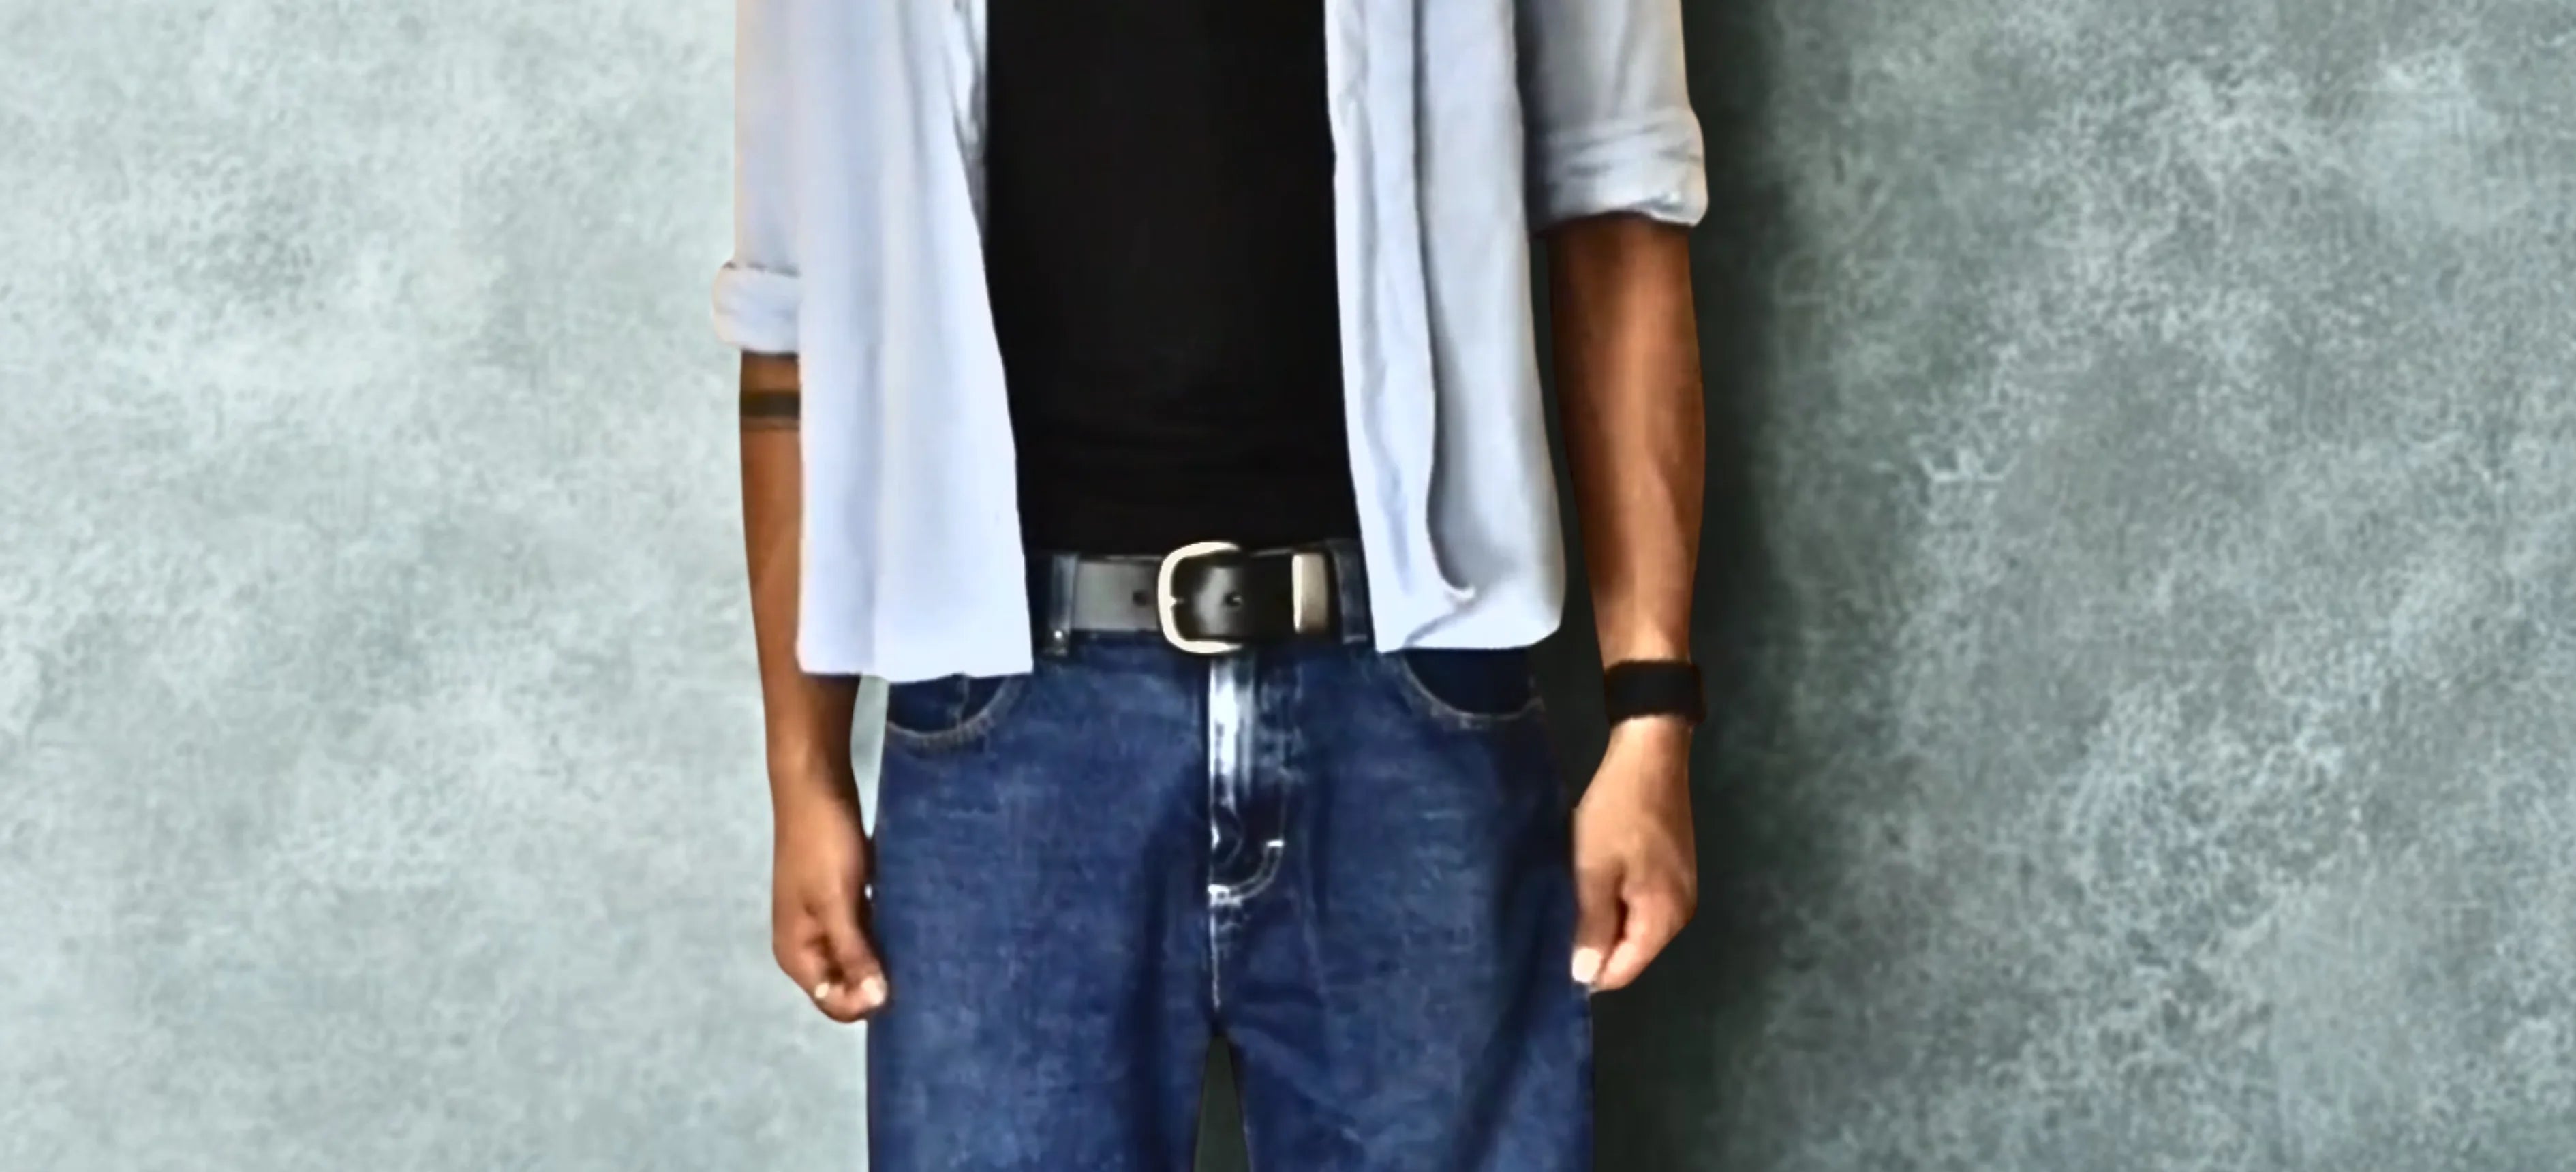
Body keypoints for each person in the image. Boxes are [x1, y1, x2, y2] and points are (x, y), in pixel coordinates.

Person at [720, 0, 1708, 1166]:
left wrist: (1651, 716)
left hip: (1414, 704)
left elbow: (1622, 212)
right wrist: (804, 770)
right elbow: (788, 324)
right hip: (1009, 735)